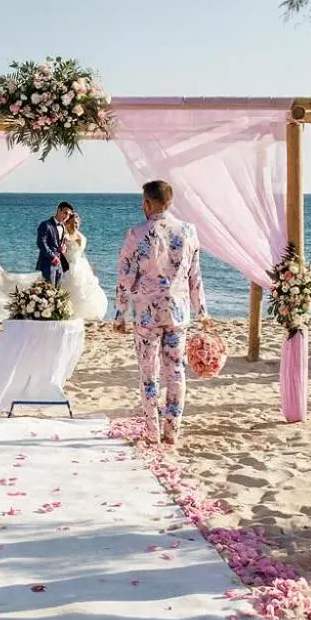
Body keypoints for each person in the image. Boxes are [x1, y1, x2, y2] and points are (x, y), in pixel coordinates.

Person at [113, 180, 209, 447]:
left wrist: (120, 313)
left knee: (149, 373)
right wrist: (203, 312)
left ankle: (152, 431)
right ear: (170, 201)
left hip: (147, 315)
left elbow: (125, 277)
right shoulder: (189, 231)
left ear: (147, 202)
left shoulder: (136, 233)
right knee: (176, 372)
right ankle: (172, 431)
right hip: (177, 312)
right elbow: (195, 276)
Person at [59, 212, 109, 320]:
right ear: (66, 223)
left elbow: (81, 252)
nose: (74, 225)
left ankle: (85, 315)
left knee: (87, 290)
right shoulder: (64, 236)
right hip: (67, 265)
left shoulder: (81, 236)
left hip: (81, 265)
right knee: (69, 288)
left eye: (76, 223)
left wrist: (89, 266)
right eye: (72, 223)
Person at [35, 201, 73, 286]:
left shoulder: (62, 226)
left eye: (69, 215)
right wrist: (52, 257)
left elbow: (58, 243)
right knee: (49, 290)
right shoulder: (45, 225)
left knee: (58, 291)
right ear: (59, 210)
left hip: (59, 263)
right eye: (65, 213)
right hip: (47, 263)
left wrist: (64, 247)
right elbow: (41, 243)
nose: (66, 217)